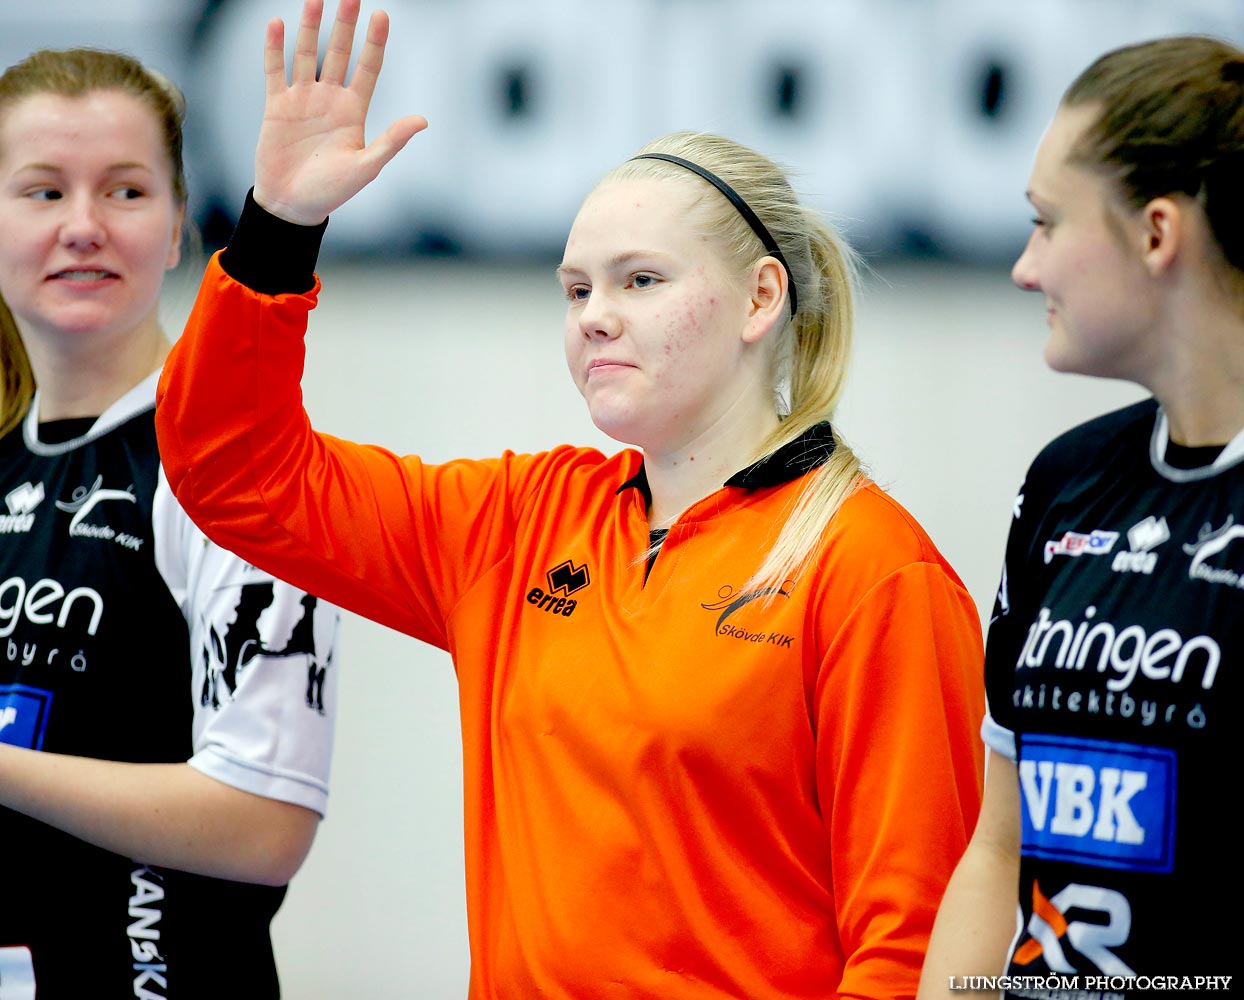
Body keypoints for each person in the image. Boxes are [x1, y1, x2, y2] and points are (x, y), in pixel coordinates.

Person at [154, 1, 985, 996]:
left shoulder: (869, 569)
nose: (595, 318)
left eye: (639, 280)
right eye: (575, 290)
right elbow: (235, 474)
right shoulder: (520, 523)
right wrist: (278, 228)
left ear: (761, 299)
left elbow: (914, 941)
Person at [0, 46, 339, 999]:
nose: (82, 226)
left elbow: (266, 822)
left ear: (181, 223)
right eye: (41, 192)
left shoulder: (236, 470)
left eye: (125, 190)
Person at [918, 35, 1243, 997]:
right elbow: (996, 850)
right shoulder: (1069, 479)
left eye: (1048, 223)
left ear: (1156, 234)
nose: (1025, 268)